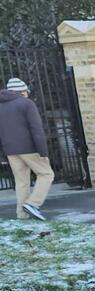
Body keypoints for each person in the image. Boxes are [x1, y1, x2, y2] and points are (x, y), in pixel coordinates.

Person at [0, 77, 53, 220]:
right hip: (29, 148)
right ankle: (32, 204)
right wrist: (43, 151)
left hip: (10, 149)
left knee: (21, 181)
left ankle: (22, 215)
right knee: (46, 174)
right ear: (22, 91)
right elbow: (36, 129)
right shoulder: (26, 104)